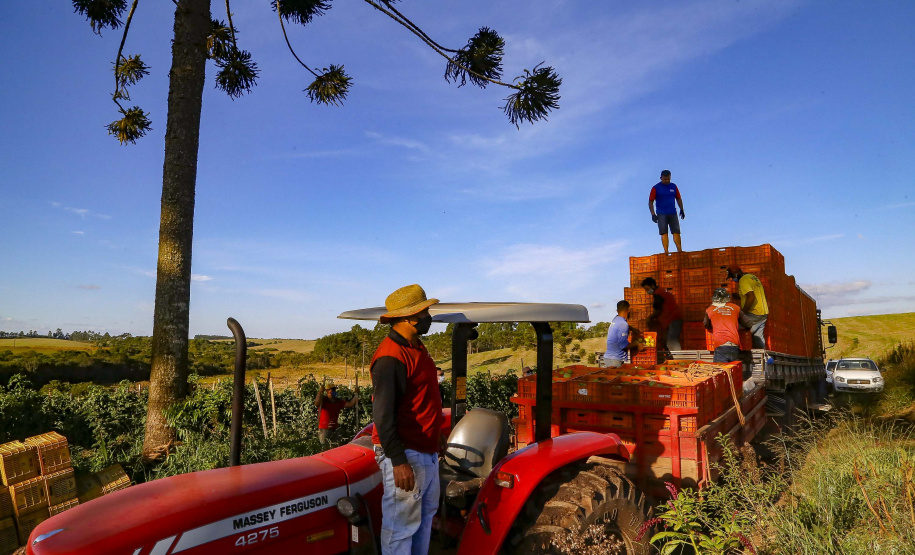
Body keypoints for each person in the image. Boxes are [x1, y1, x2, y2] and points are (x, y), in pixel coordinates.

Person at [370, 284, 443, 555]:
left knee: (425, 519)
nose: (429, 317)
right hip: (406, 453)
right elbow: (383, 415)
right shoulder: (391, 357)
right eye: (425, 312)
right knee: (401, 527)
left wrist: (436, 436)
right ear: (410, 318)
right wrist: (398, 461)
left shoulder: (416, 347)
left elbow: (421, 399)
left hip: (425, 449)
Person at [703, 288, 751, 364]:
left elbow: (706, 325)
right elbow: (748, 324)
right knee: (734, 372)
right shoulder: (735, 308)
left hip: (720, 346)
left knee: (721, 373)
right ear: (727, 297)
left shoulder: (709, 310)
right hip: (734, 346)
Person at [727, 266, 769, 349]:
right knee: (758, 337)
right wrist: (739, 296)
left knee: (735, 328)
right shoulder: (752, 277)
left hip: (754, 313)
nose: (732, 279)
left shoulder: (743, 281)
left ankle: (734, 353)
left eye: (732, 277)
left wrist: (742, 314)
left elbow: (751, 297)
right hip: (763, 313)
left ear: (736, 273)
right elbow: (753, 293)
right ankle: (761, 357)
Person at [648, 170, 686, 254]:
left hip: (672, 212)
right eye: (665, 179)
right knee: (664, 232)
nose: (666, 181)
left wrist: (682, 209)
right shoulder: (656, 188)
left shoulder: (673, 186)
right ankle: (666, 251)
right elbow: (651, 201)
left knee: (676, 231)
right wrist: (653, 214)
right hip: (661, 213)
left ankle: (679, 250)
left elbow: (678, 198)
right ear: (661, 178)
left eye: (668, 179)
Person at [641, 277, 683, 352]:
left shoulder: (658, 294)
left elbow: (658, 310)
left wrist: (649, 318)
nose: (647, 291)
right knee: (665, 342)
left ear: (652, 286)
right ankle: (670, 360)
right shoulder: (663, 291)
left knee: (671, 343)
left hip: (672, 320)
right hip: (671, 320)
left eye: (647, 289)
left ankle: (679, 360)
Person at [314, 379, 358, 445]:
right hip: (324, 430)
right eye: (332, 389)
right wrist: (320, 392)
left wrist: (356, 395)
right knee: (325, 448)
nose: (334, 391)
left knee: (335, 447)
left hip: (334, 429)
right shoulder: (323, 400)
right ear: (327, 391)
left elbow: (351, 404)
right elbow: (316, 403)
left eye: (334, 389)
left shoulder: (338, 401)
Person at [602, 300, 636, 367]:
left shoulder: (616, 319)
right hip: (615, 360)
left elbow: (620, 326)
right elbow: (623, 345)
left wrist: (632, 329)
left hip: (610, 358)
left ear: (617, 310)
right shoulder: (623, 324)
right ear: (628, 310)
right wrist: (637, 345)